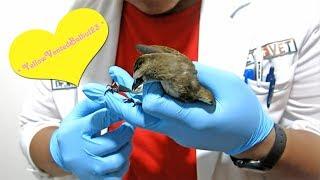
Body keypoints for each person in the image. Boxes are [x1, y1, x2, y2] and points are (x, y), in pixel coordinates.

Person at [19, 0, 320, 179]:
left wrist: (263, 141)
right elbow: (34, 125)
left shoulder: (295, 13)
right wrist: (57, 149)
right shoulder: (73, 21)